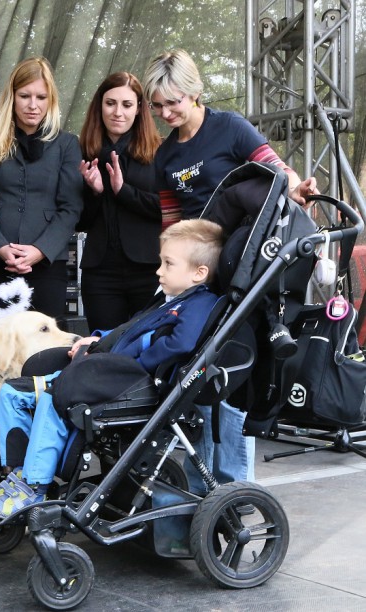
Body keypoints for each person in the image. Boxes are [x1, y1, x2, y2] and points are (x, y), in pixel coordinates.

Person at [141, 48, 318, 493]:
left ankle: (235, 491)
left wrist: (301, 189)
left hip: (244, 271)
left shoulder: (230, 128)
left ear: (195, 92)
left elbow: (278, 174)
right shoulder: (165, 157)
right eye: (157, 105)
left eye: (173, 102)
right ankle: (202, 490)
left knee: (235, 380)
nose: (165, 112)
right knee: (197, 378)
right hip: (197, 280)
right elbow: (170, 222)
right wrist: (168, 269)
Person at [0, 219, 224, 517]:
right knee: (12, 393)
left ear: (199, 273)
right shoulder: (167, 300)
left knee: (54, 398)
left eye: (168, 264)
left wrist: (127, 363)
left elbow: (180, 345)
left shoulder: (198, 304)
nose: (158, 270)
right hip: (103, 372)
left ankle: (34, 485)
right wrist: (99, 339)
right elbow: (129, 331)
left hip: (127, 381)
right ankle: (18, 474)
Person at [0, 57, 83, 320]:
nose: (33, 105)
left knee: (43, 351)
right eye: (25, 96)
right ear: (12, 96)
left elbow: (70, 207)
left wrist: (40, 250)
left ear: (51, 100)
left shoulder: (67, 144)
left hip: (47, 263)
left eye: (41, 97)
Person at [77, 72, 162, 331]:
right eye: (110, 103)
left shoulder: (160, 151)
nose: (118, 112)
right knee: (103, 349)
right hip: (100, 273)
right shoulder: (83, 153)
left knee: (147, 349)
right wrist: (96, 192)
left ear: (139, 109)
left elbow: (167, 210)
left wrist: (123, 191)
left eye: (127, 104)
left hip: (148, 270)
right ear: (99, 106)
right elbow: (78, 220)